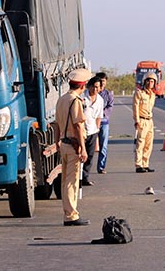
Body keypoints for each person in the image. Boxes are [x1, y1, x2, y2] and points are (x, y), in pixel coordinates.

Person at [55, 68, 92, 226]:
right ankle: (71, 216)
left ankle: (68, 213)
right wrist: (83, 149)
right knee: (72, 182)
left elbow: (56, 124)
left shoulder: (62, 99)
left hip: (64, 144)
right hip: (73, 145)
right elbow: (77, 126)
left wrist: (57, 141)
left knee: (65, 182)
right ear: (83, 86)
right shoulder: (75, 101)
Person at [81, 77, 104, 186]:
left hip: (92, 131)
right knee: (80, 155)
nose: (95, 89)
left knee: (89, 156)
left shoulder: (100, 100)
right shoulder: (82, 97)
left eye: (97, 87)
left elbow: (99, 117)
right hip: (81, 131)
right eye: (93, 86)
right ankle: (78, 177)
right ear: (89, 86)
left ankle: (85, 177)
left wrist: (97, 131)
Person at [133, 72, 157, 173]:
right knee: (140, 143)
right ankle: (139, 165)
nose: (150, 83)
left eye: (152, 81)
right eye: (148, 81)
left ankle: (145, 164)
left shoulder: (153, 95)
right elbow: (135, 107)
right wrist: (137, 121)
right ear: (144, 81)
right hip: (142, 120)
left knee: (148, 144)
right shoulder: (139, 93)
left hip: (150, 121)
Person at [95, 72, 114, 174]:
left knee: (104, 146)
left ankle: (101, 167)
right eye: (100, 81)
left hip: (104, 122)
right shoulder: (92, 93)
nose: (102, 83)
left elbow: (110, 107)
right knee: (89, 146)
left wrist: (101, 114)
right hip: (92, 123)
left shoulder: (108, 94)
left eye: (103, 81)